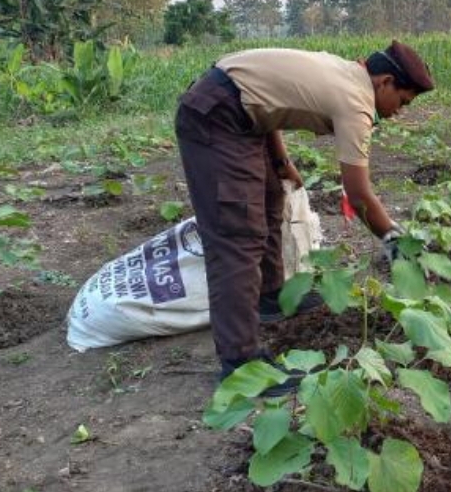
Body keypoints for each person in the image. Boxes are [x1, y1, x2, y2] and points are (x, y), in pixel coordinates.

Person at [174, 40, 434, 395]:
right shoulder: (357, 103)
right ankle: (240, 364)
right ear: (385, 82)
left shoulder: (347, 71)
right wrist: (392, 238)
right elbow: (358, 195)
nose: (400, 112)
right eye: (403, 102)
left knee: (269, 199)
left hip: (240, 110)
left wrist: (280, 161)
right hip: (218, 117)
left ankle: (270, 296)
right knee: (236, 234)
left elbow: (267, 97)